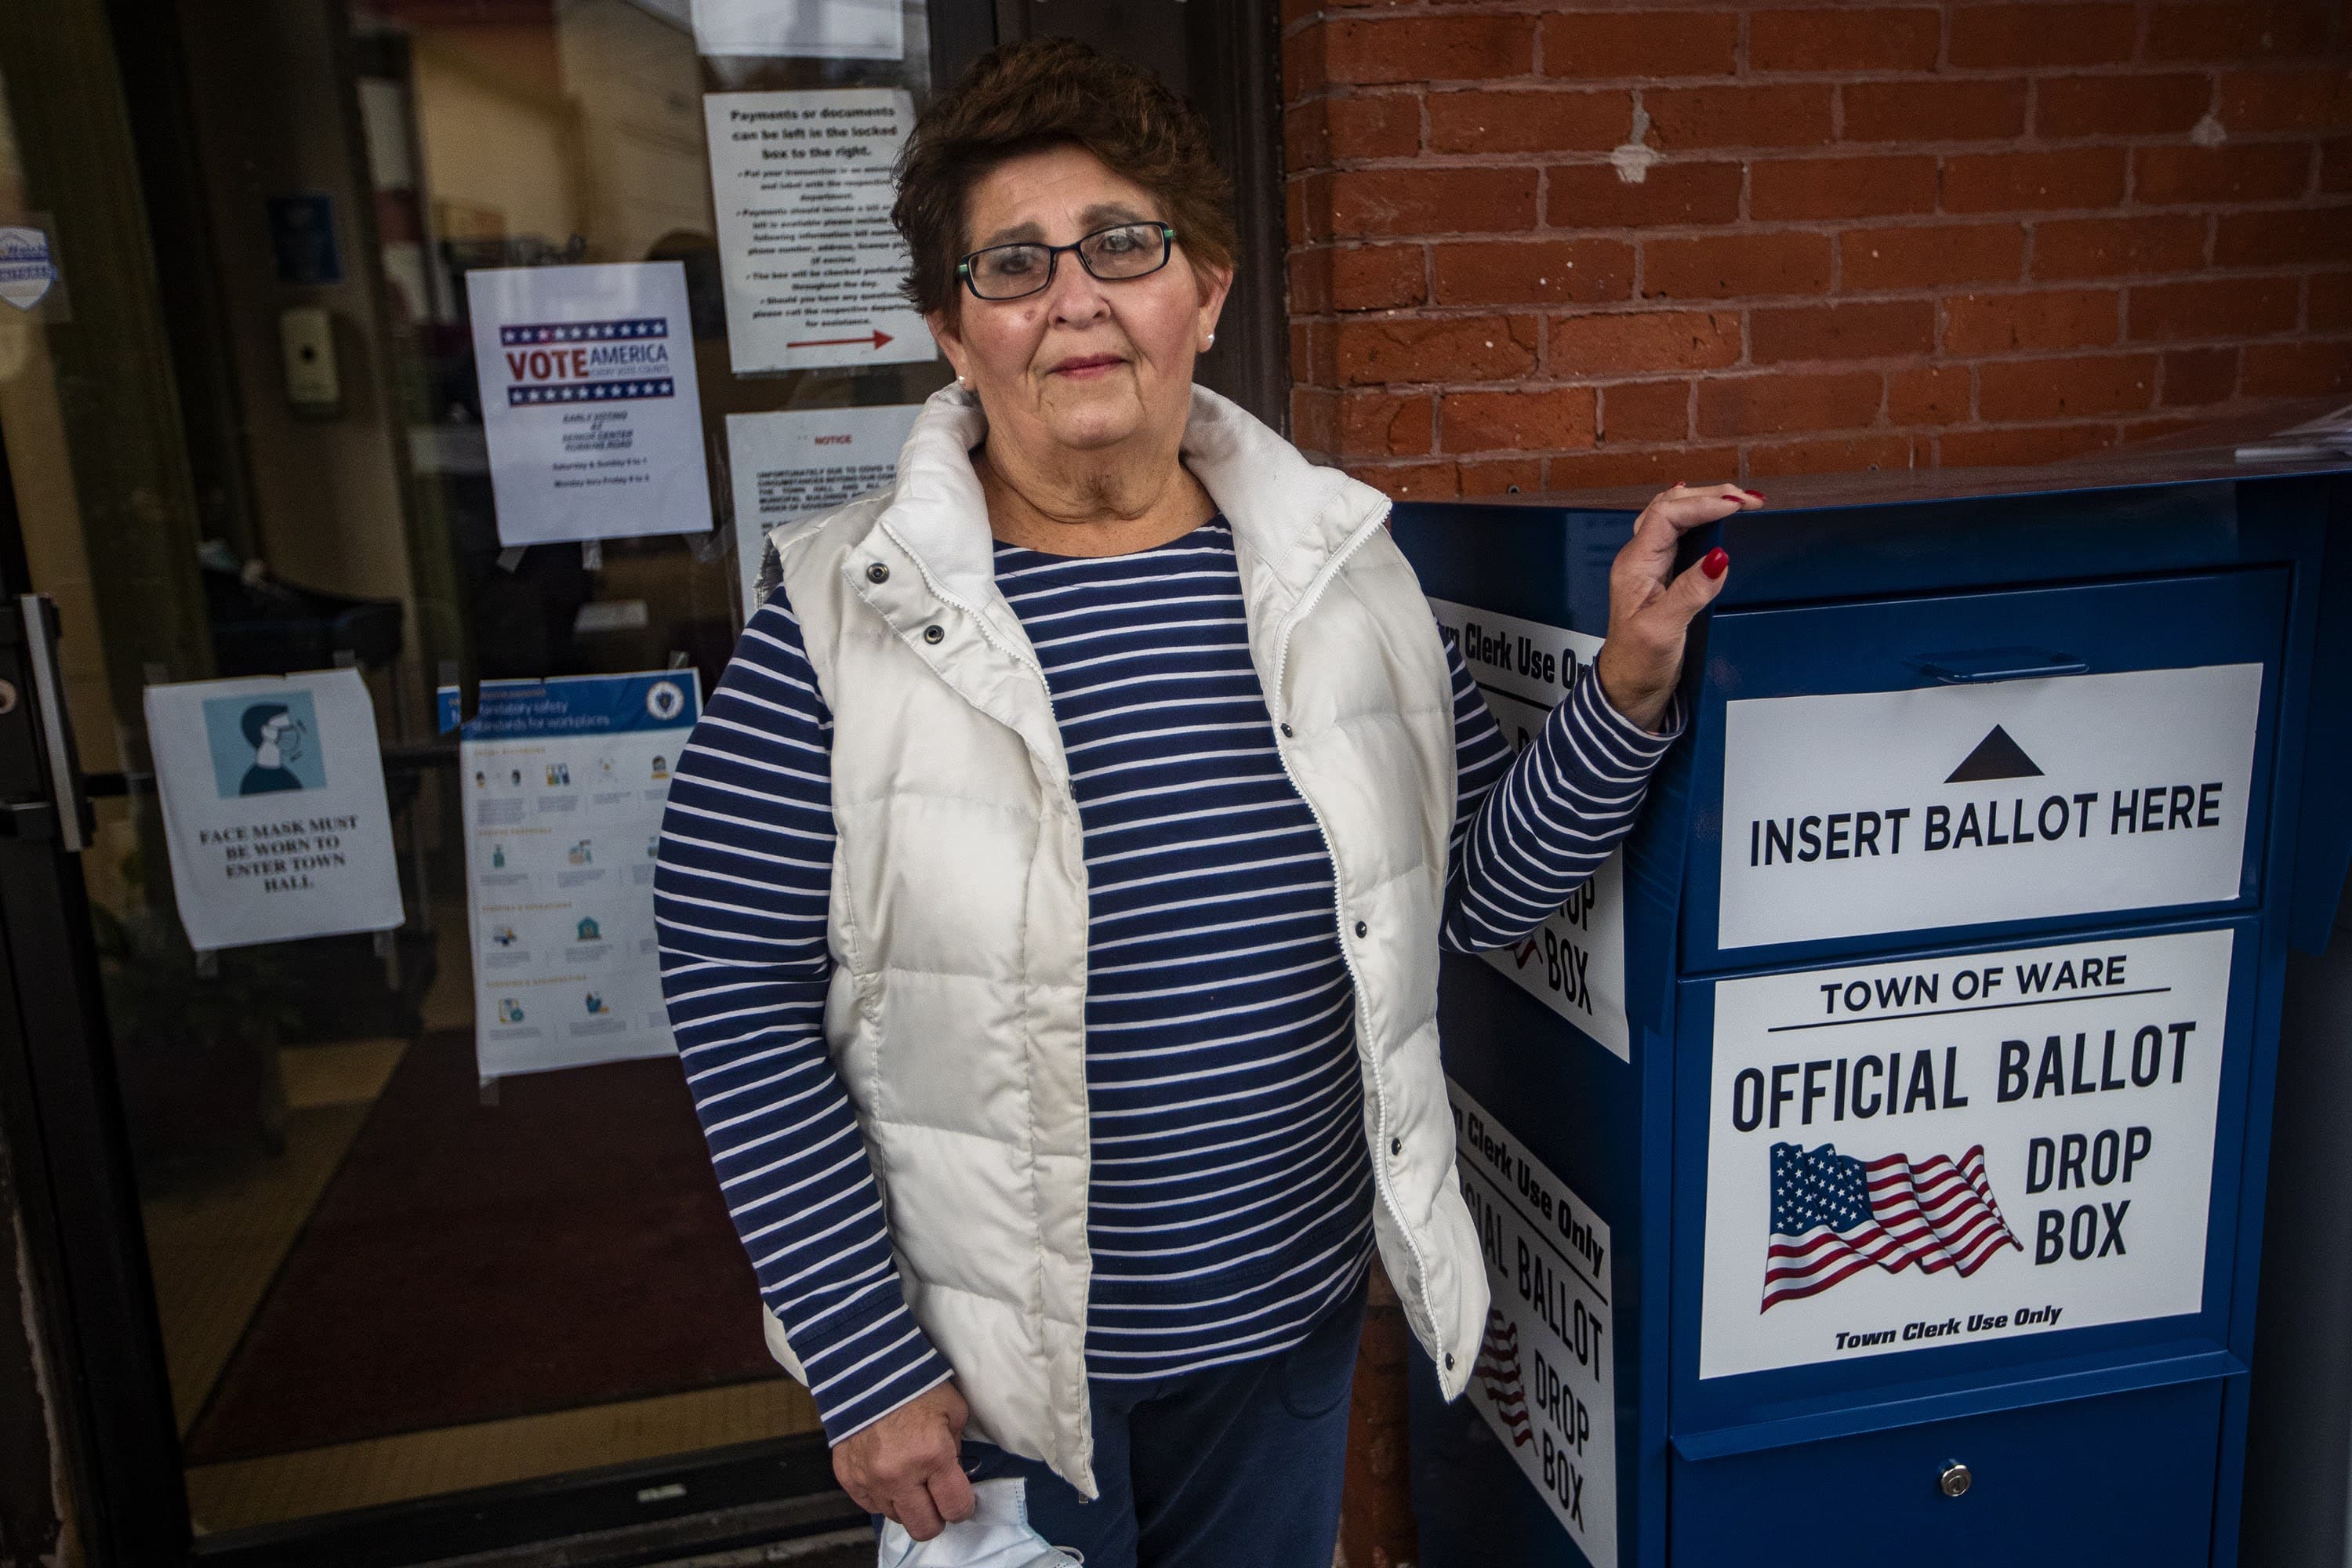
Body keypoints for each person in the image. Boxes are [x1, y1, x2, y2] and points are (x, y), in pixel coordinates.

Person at [654, 37, 1759, 1567]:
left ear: (1210, 288)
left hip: (1284, 1336)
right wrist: (861, 1346)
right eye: (1014, 265)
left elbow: (1474, 895)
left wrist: (1630, 684)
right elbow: (730, 975)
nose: (1076, 298)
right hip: (997, 1389)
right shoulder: (842, 614)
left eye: (1123, 244)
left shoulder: (1347, 580)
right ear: (953, 333)